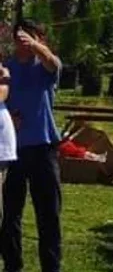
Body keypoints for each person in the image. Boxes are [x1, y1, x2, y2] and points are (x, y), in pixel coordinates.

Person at [1, 20, 62, 272]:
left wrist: (36, 45)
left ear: (41, 39)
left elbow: (54, 63)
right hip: (14, 150)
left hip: (43, 147)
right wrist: (9, 115)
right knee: (10, 213)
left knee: (48, 213)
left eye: (29, 37)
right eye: (19, 38)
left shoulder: (43, 68)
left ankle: (51, 266)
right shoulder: (8, 69)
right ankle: (13, 264)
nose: (22, 43)